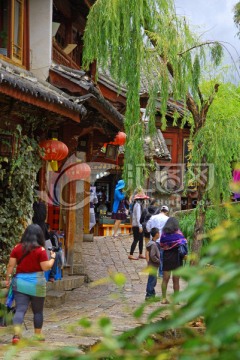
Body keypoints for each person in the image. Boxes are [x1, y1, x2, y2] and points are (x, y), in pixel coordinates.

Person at [5, 224, 57, 345]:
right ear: (40, 236)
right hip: (37, 284)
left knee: (20, 310)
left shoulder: (17, 248)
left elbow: (10, 265)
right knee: (38, 312)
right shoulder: (41, 250)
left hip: (20, 283)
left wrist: (7, 279)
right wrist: (53, 258)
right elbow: (46, 267)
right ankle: (37, 336)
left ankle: (16, 336)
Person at [159, 217, 188, 304]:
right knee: (176, 281)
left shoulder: (164, 234)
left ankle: (163, 298)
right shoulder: (178, 233)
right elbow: (183, 242)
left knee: (165, 279)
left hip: (167, 257)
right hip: (177, 258)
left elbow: (161, 244)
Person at [146, 205, 169, 277]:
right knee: (162, 257)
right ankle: (161, 274)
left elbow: (148, 228)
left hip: (154, 240)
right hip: (163, 241)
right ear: (167, 212)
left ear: (160, 211)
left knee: (153, 257)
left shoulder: (153, 217)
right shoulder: (168, 219)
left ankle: (153, 272)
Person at [128, 192, 149, 260]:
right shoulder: (138, 205)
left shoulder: (139, 204)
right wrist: (140, 226)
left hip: (139, 225)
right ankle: (131, 254)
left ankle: (140, 254)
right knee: (136, 239)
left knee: (140, 240)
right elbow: (138, 216)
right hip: (137, 225)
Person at [145, 227, 160, 300]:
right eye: (159, 233)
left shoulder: (150, 243)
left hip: (151, 264)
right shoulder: (153, 245)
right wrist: (158, 261)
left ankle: (151, 294)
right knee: (152, 280)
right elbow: (152, 255)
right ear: (156, 234)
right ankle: (149, 295)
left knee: (152, 279)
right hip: (153, 265)